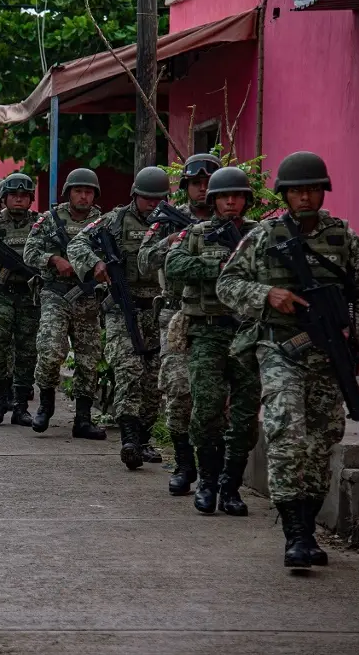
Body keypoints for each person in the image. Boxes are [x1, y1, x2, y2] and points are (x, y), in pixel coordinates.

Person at [217, 152, 359, 568]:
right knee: (286, 428)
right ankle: (295, 534)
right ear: (285, 194)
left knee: (323, 438)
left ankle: (308, 521)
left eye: (313, 189)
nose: (305, 196)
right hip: (280, 348)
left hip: (329, 356)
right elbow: (227, 284)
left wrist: (352, 330)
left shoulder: (344, 237)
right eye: (297, 190)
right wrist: (267, 294)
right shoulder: (264, 236)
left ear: (323, 192)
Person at [165, 166, 260, 516]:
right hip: (207, 331)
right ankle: (206, 482)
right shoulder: (196, 233)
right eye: (223, 196)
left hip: (249, 333)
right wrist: (216, 265)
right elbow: (173, 265)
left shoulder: (261, 235)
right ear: (214, 201)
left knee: (246, 414)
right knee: (205, 410)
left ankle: (230, 486)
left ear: (246, 200)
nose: (230, 201)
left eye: (236, 196)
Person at [68, 167, 168, 470]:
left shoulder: (171, 222)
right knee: (127, 371)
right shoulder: (113, 220)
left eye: (157, 198)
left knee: (153, 382)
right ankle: (128, 439)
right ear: (134, 194)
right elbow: (77, 244)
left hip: (157, 310)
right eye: (146, 198)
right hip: (121, 309)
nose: (151, 203)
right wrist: (95, 263)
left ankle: (144, 438)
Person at [138, 153, 221, 489]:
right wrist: (171, 241)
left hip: (220, 316)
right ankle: (185, 465)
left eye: (207, 184)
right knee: (178, 390)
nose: (202, 190)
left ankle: (217, 473)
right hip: (177, 316)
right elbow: (144, 261)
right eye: (196, 184)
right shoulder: (169, 221)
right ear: (186, 187)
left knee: (217, 397)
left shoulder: (229, 221)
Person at [23, 168, 106, 439]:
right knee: (49, 351)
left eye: (89, 191)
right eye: (79, 191)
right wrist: (53, 260)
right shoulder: (50, 219)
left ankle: (83, 419)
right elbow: (29, 252)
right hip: (56, 295)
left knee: (88, 360)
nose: (84, 196)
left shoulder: (103, 221)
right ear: (68, 192)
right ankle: (46, 405)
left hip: (88, 298)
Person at [0, 173, 41, 426]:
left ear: (30, 199)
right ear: (4, 198)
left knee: (27, 351)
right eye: (14, 195)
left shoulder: (40, 223)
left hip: (29, 295)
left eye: (24, 196)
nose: (18, 199)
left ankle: (21, 406)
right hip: (0, 293)